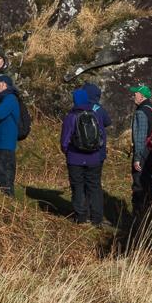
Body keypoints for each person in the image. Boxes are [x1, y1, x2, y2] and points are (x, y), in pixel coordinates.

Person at [60, 87, 107, 225]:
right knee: (95, 187)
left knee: (78, 187)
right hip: (94, 158)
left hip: (75, 158)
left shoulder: (71, 117)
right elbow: (102, 137)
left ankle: (81, 217)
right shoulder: (96, 115)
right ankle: (97, 219)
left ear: (75, 101)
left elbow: (64, 141)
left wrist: (67, 152)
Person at [129, 83, 152, 218]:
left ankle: (138, 216)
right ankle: (151, 214)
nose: (133, 96)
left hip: (144, 153)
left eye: (135, 94)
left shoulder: (141, 112)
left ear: (141, 96)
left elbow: (140, 137)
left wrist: (137, 158)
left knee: (139, 184)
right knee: (150, 182)